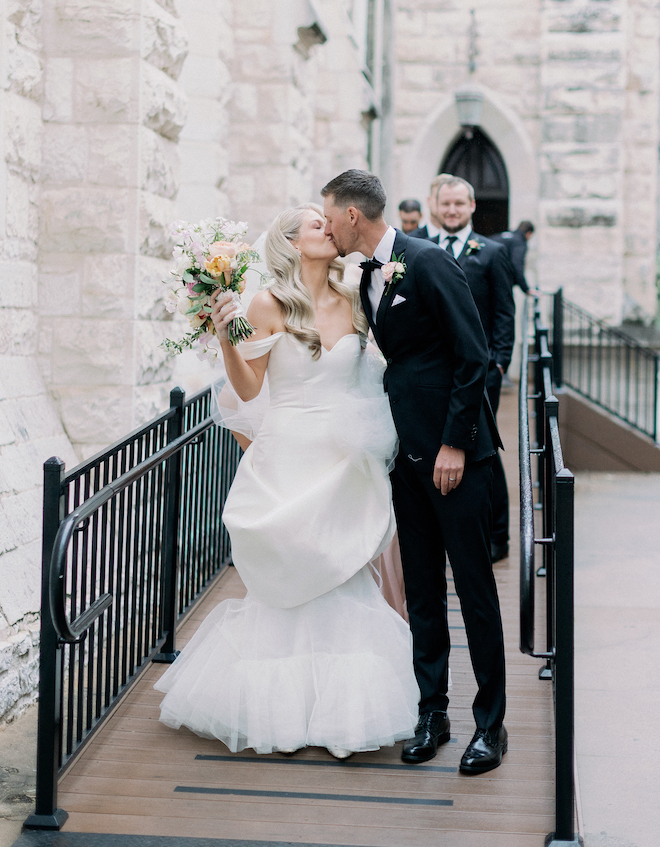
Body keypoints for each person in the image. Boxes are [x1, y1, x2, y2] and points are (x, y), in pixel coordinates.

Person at [154, 204, 419, 759]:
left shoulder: (356, 299)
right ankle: (278, 707)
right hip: (288, 457)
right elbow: (249, 391)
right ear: (293, 242)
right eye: (316, 223)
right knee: (290, 577)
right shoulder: (267, 303)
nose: (328, 225)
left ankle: (342, 708)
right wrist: (228, 337)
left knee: (343, 571)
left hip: (344, 459)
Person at [322, 169, 508, 775]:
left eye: (329, 215)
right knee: (423, 591)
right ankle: (433, 713)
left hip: (457, 459)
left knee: (475, 593)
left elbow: (473, 355)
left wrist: (456, 443)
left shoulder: (424, 261)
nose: (325, 226)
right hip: (406, 455)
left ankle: (491, 725)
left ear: (354, 216)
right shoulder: (365, 275)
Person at [411, 174, 515, 564]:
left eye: (459, 203)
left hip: (478, 374)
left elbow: (504, 313)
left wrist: (499, 364)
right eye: (445, 203)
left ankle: (496, 535)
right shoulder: (416, 246)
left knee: (482, 453)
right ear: (433, 204)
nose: (452, 210)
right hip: (429, 377)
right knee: (435, 449)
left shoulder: (490, 252)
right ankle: (440, 535)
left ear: (472, 206)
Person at [491, 220, 535, 295]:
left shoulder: (503, 236)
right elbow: (517, 265)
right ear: (528, 233)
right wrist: (526, 289)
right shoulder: (520, 242)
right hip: (499, 280)